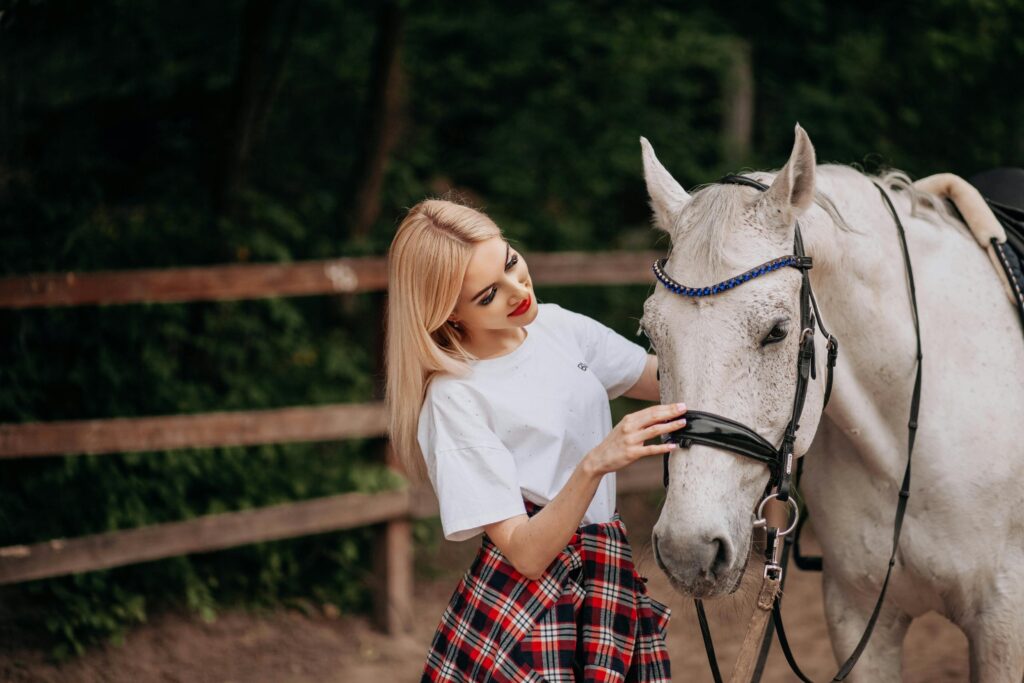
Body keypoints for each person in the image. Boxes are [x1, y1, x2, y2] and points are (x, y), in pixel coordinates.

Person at [384, 197, 686, 682]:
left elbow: (666, 380)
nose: (517, 289)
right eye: (487, 295)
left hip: (606, 576)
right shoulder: (454, 396)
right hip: (531, 603)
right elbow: (525, 553)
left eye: (510, 262)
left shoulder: (556, 325)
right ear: (449, 314)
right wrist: (597, 463)